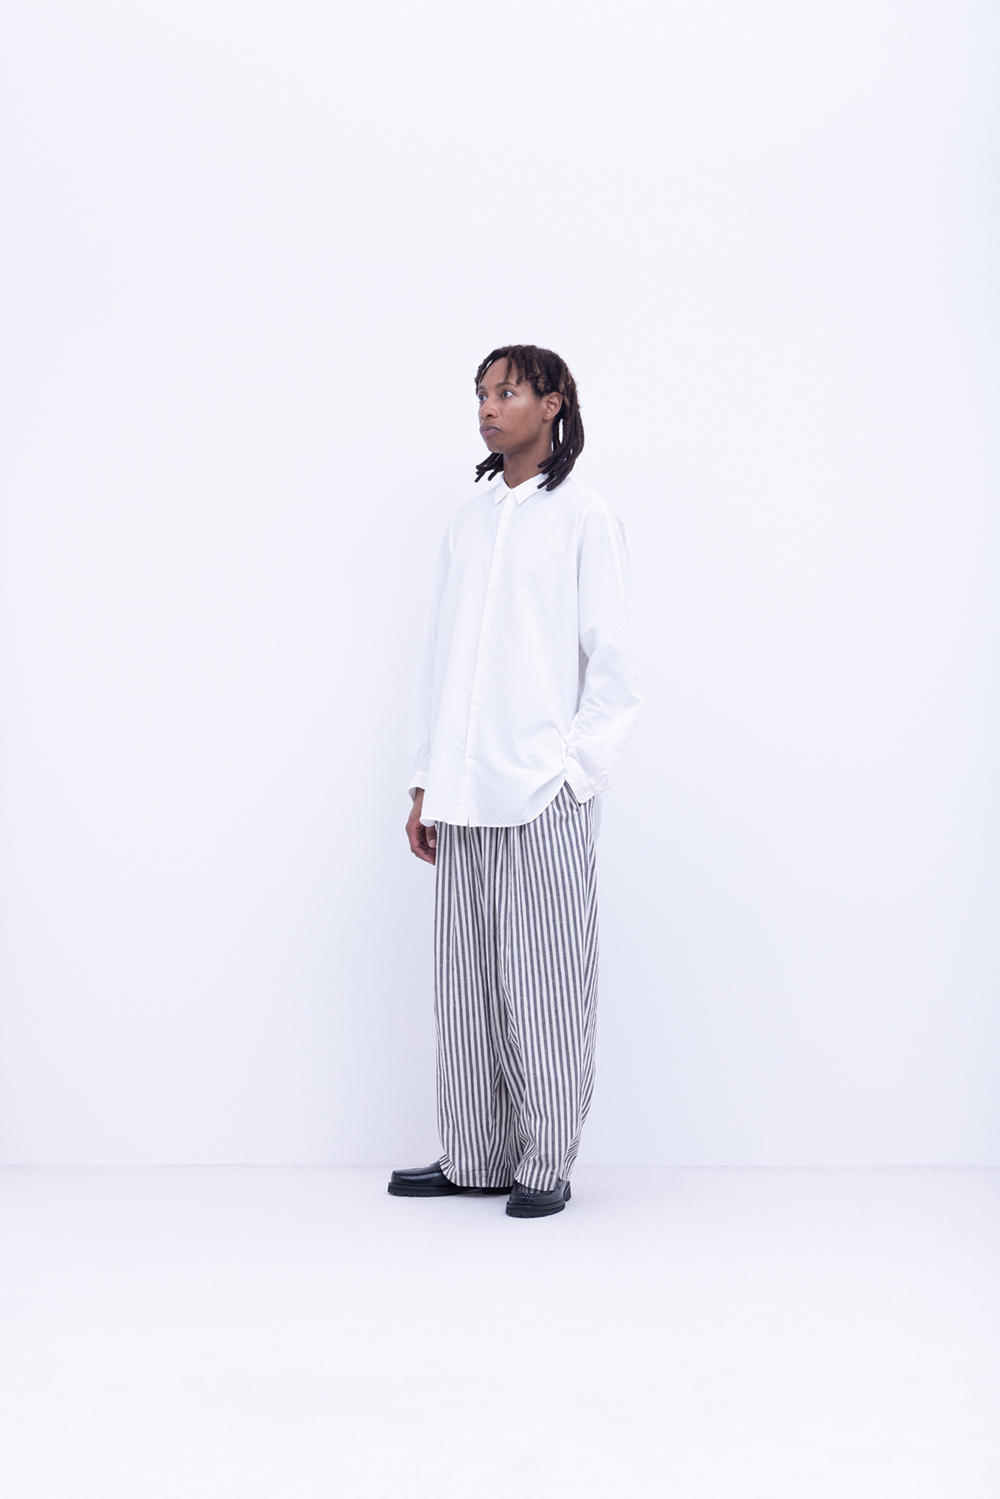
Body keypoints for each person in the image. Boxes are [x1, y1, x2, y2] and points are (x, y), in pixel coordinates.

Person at [388, 345, 641, 1218]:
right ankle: (475, 1155)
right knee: (465, 988)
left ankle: (546, 1161)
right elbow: (438, 659)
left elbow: (615, 668)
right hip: (462, 792)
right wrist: (425, 782)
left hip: (541, 793)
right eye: (482, 394)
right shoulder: (467, 524)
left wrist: (575, 776)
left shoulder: (584, 517)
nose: (489, 408)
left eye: (507, 392)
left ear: (553, 402)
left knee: (545, 985)